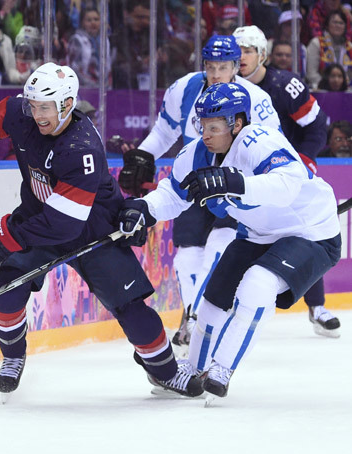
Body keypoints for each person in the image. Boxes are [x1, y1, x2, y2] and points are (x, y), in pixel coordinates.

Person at [0, 62, 204, 398]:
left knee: (132, 311)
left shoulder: (81, 147)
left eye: (45, 107)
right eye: (33, 105)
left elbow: (64, 224)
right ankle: (13, 358)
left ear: (67, 105)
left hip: (93, 231)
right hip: (40, 218)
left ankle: (166, 372)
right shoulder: (20, 112)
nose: (36, 114)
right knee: (3, 291)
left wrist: (9, 234)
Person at [121, 82, 341, 400]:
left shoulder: (259, 139)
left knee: (257, 283)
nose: (205, 134)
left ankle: (221, 369)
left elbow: (289, 183)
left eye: (213, 126)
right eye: (202, 126)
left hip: (310, 231)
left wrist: (235, 181)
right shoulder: (197, 153)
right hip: (256, 234)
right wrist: (145, 209)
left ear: (236, 123)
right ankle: (194, 370)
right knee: (212, 300)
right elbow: (172, 193)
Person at [118, 36, 281, 350]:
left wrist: (258, 186)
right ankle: (193, 314)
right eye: (210, 67)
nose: (216, 73)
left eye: (223, 67)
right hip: (195, 179)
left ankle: (198, 317)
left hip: (235, 185)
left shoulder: (255, 99)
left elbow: (272, 146)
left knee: (220, 247)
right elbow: (166, 129)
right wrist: (143, 154)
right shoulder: (185, 88)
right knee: (187, 257)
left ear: (236, 67)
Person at [234, 25, 341, 338]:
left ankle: (317, 306)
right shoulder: (228, 86)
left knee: (303, 232)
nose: (241, 57)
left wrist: (304, 162)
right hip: (250, 177)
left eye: (248, 50)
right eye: (236, 50)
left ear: (262, 54)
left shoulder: (285, 85)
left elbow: (318, 126)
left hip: (287, 174)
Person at [305, 8, 352, 89]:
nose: (338, 25)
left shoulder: (350, 46)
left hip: (346, 91)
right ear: (327, 25)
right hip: (322, 90)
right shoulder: (316, 43)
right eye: (334, 22)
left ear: (345, 27)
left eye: (341, 23)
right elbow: (311, 74)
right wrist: (328, 87)